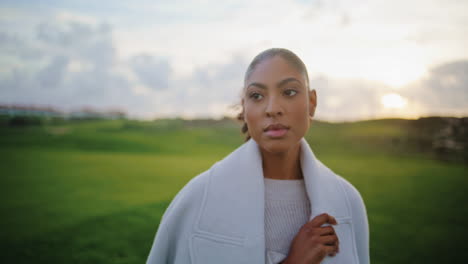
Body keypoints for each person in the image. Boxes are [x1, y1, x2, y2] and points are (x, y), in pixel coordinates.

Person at [146, 48, 369, 264]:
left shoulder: (348, 202)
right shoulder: (197, 198)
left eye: (289, 92)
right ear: (244, 108)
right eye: (257, 95)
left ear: (311, 103)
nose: (272, 108)